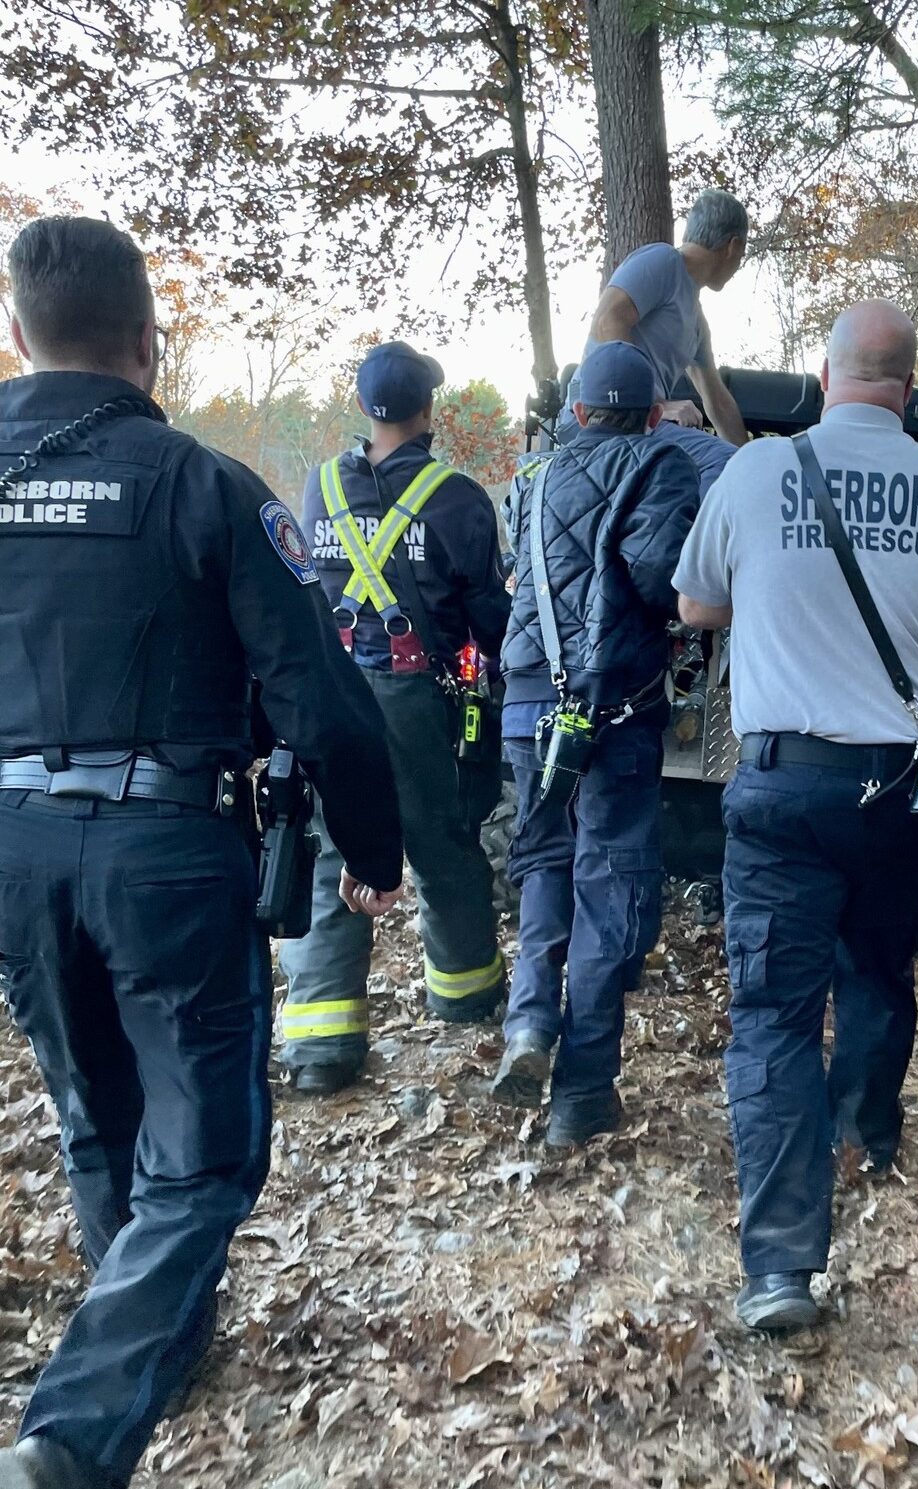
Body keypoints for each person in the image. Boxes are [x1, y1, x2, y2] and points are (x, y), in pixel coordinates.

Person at [0, 216, 403, 1489]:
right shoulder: (201, 484)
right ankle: (73, 1431)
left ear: (18, 336)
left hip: (10, 850)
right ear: (146, 337)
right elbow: (321, 697)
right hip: (166, 848)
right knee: (209, 1152)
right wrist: (375, 850)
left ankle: (160, 1342)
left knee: (90, 1105)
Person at [673, 299, 918, 1332]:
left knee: (774, 1013)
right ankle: (866, 1127)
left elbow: (694, 605)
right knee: (879, 965)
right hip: (903, 787)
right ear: (909, 391)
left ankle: (779, 1266)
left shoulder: (756, 472)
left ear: (825, 380)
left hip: (783, 788)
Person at [277, 342, 512, 1094]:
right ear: (428, 410)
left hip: (332, 696)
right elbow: (490, 618)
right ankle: (466, 991)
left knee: (328, 851)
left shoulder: (317, 488)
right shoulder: (457, 497)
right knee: (442, 846)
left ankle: (321, 1045)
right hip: (416, 701)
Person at [492, 340, 700, 1147]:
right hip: (612, 712)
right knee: (607, 881)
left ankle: (528, 1026)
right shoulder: (660, 465)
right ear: (652, 415)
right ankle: (582, 1090)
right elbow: (661, 584)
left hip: (525, 705)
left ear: (578, 413)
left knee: (544, 859)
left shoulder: (531, 477)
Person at [567, 189, 752, 487]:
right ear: (733, 246)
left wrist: (753, 460)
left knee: (737, 466)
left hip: (643, 427)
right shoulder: (663, 261)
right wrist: (658, 405)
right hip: (597, 419)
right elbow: (607, 321)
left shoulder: (695, 321)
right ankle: (694, 537)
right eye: (741, 254)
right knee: (721, 463)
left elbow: (716, 400)